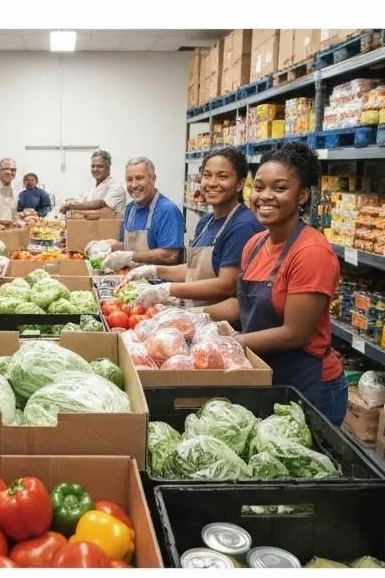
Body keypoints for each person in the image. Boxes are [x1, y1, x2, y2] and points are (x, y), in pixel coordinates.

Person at [206, 142, 347, 423]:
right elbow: (240, 304)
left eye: (279, 188)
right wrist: (189, 318)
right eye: (259, 187)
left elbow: (295, 333)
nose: (265, 196)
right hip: (265, 372)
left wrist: (231, 342)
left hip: (309, 386)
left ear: (302, 196)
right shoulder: (256, 244)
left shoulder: (311, 252)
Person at [126, 148, 262, 307]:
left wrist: (168, 289)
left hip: (219, 322)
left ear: (239, 184)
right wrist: (154, 271)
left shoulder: (243, 225)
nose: (212, 183)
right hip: (195, 311)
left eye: (222, 176)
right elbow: (193, 270)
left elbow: (226, 285)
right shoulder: (206, 221)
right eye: (207, 175)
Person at [99, 157, 185, 272]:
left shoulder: (167, 211)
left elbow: (170, 255)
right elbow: (130, 247)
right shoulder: (130, 209)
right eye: (129, 179)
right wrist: (110, 245)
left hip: (158, 284)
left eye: (139, 178)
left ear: (153, 179)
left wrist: (130, 256)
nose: (134, 185)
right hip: (132, 280)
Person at [60, 149, 125, 217]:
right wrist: (71, 201)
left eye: (99, 166)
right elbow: (85, 201)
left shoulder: (116, 187)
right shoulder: (94, 186)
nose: (95, 169)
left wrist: (71, 205)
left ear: (108, 168)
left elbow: (101, 204)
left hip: (110, 227)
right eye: (93, 166)